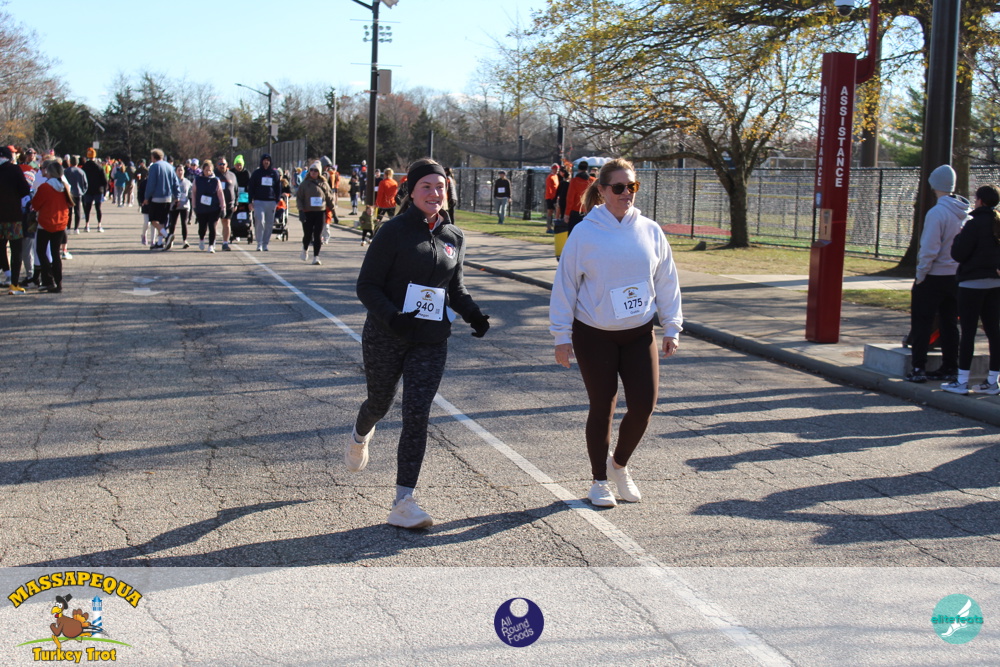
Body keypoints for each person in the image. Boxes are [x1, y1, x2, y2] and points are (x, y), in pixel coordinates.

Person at [349, 158, 491, 529]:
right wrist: (393, 316)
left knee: (417, 413)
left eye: (440, 186)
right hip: (386, 333)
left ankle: (403, 501)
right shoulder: (392, 231)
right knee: (380, 403)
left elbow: (455, 287)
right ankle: (360, 434)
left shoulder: (453, 236)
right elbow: (367, 286)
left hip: (430, 339)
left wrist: (473, 314)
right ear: (411, 191)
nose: (434, 193)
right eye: (426, 186)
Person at [549, 158, 682, 508]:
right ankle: (599, 481)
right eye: (619, 187)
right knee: (602, 405)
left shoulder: (650, 230)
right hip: (594, 333)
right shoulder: (585, 232)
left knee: (643, 406)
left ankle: (618, 464)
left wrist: (672, 325)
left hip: (639, 331)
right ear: (603, 190)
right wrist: (561, 335)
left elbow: (666, 279)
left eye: (632, 186)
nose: (627, 193)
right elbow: (565, 285)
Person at [906, 165, 968, 383]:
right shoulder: (965, 213)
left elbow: (929, 248)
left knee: (922, 321)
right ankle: (950, 366)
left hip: (934, 275)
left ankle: (918, 368)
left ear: (934, 185)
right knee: (949, 322)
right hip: (956, 275)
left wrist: (921, 274)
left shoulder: (937, 213)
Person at [941, 184, 1000, 395]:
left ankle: (962, 380)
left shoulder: (973, 224)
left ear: (980, 201)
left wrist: (958, 237)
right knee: (994, 332)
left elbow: (958, 253)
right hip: (995, 283)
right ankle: (993, 381)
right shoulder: (997, 222)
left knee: (968, 332)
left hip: (971, 283)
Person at [31, 160, 73, 293]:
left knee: (41, 251)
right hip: (60, 223)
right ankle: (58, 282)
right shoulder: (64, 187)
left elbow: (35, 205)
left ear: (50, 172)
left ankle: (48, 280)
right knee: (56, 254)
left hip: (45, 223)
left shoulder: (45, 187)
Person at [0, 145, 30, 294]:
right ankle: (14, 284)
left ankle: (7, 273)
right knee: (16, 250)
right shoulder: (15, 170)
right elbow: (25, 190)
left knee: (1, 248)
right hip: (13, 217)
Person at [295, 161, 335, 265]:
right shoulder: (304, 184)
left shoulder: (324, 184)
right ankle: (305, 248)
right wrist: (301, 210)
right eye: (311, 170)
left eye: (316, 170)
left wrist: (333, 211)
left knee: (317, 235)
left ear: (319, 172)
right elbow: (299, 198)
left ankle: (316, 256)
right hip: (307, 212)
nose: (313, 172)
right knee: (308, 234)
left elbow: (329, 198)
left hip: (320, 212)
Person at [144, 149, 180, 251]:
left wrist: (146, 197)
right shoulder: (170, 167)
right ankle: (159, 243)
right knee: (162, 221)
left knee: (153, 220)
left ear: (153, 157)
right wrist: (177, 196)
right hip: (168, 198)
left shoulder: (154, 167)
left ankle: (167, 235)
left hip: (157, 197)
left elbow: (151, 184)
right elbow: (175, 182)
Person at [248, 153, 280, 251]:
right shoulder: (256, 173)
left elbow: (278, 187)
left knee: (269, 224)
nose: (266, 162)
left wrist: (277, 200)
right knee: (260, 221)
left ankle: (265, 243)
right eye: (265, 160)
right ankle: (259, 243)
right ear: (262, 161)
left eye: (268, 160)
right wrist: (250, 201)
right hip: (259, 201)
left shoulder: (274, 173)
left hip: (271, 202)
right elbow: (251, 187)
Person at [191, 160, 225, 253]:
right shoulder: (197, 180)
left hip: (214, 207)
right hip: (201, 208)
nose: (208, 172)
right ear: (203, 170)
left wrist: (223, 207)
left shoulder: (216, 180)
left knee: (212, 227)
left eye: (210, 170)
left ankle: (211, 245)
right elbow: (194, 193)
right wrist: (194, 206)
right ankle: (201, 239)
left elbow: (220, 194)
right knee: (202, 227)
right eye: (206, 170)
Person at [81, 148, 107, 233]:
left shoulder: (84, 167)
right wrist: (105, 191)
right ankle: (99, 225)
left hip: (88, 190)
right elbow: (104, 180)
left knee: (87, 208)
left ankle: (87, 225)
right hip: (98, 190)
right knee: (98, 208)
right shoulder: (99, 166)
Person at [565, 160, 595, 234]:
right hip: (589, 212)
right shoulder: (593, 181)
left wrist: (567, 213)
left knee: (573, 235)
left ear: (578, 169)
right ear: (587, 169)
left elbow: (570, 198)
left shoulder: (574, 181)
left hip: (576, 212)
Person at [215, 157, 237, 251]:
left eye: (223, 164)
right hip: (216, 204)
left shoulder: (232, 175)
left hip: (229, 204)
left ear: (227, 165)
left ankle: (225, 243)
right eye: (220, 164)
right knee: (214, 223)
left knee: (226, 223)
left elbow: (236, 190)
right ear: (217, 165)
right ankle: (212, 242)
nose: (222, 166)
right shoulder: (214, 175)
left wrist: (236, 203)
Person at [169, 164, 193, 249]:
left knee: (184, 223)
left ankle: (184, 240)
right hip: (175, 205)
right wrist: (175, 200)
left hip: (184, 206)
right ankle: (170, 240)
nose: (180, 172)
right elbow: (170, 193)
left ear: (184, 171)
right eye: (178, 170)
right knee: (173, 223)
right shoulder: (172, 182)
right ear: (175, 172)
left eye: (181, 170)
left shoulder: (188, 182)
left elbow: (190, 194)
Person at [64, 156, 88, 235]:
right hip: (78, 193)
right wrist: (82, 192)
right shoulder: (81, 171)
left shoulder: (66, 171)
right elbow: (85, 184)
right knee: (77, 211)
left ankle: (68, 227)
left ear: (70, 162)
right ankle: (76, 228)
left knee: (69, 211)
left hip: (69, 193)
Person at [544, 163, 560, 232]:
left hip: (555, 197)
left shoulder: (556, 176)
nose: (557, 171)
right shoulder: (550, 177)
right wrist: (551, 197)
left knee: (555, 212)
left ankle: (553, 226)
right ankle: (549, 227)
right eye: (555, 169)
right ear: (552, 169)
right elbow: (549, 188)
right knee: (550, 211)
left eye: (557, 169)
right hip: (550, 197)